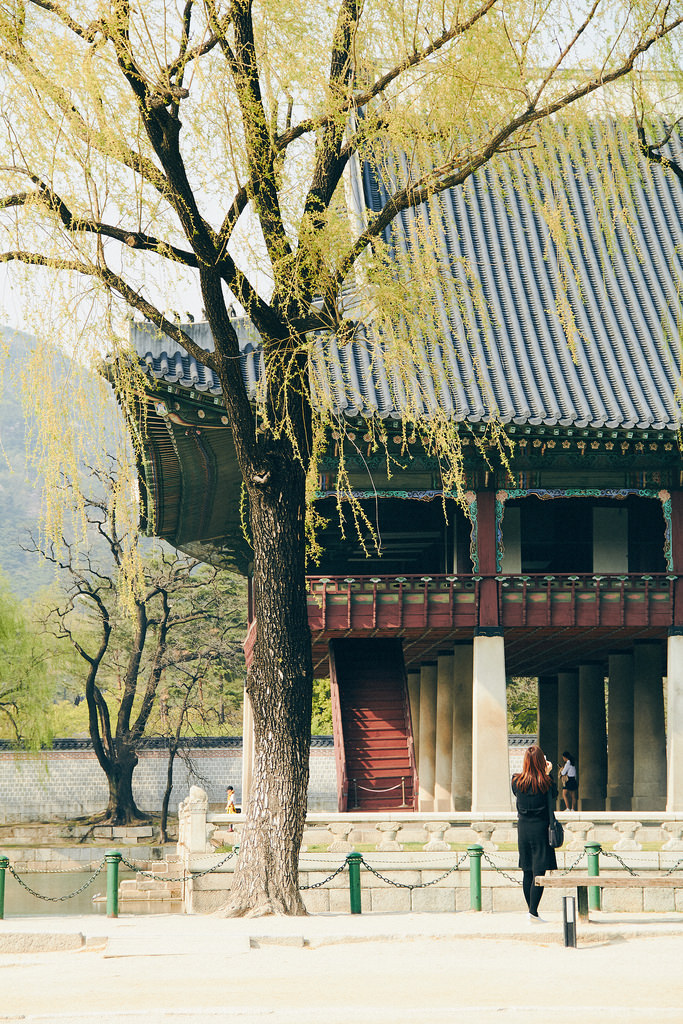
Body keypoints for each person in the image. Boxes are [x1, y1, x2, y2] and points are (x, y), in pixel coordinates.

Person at [511, 745, 557, 923]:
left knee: (527, 870)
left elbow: (517, 793)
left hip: (523, 829)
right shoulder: (546, 782)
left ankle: (531, 911)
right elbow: (554, 795)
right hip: (541, 829)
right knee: (539, 870)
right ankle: (533, 911)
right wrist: (548, 772)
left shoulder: (517, 781)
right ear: (541, 762)